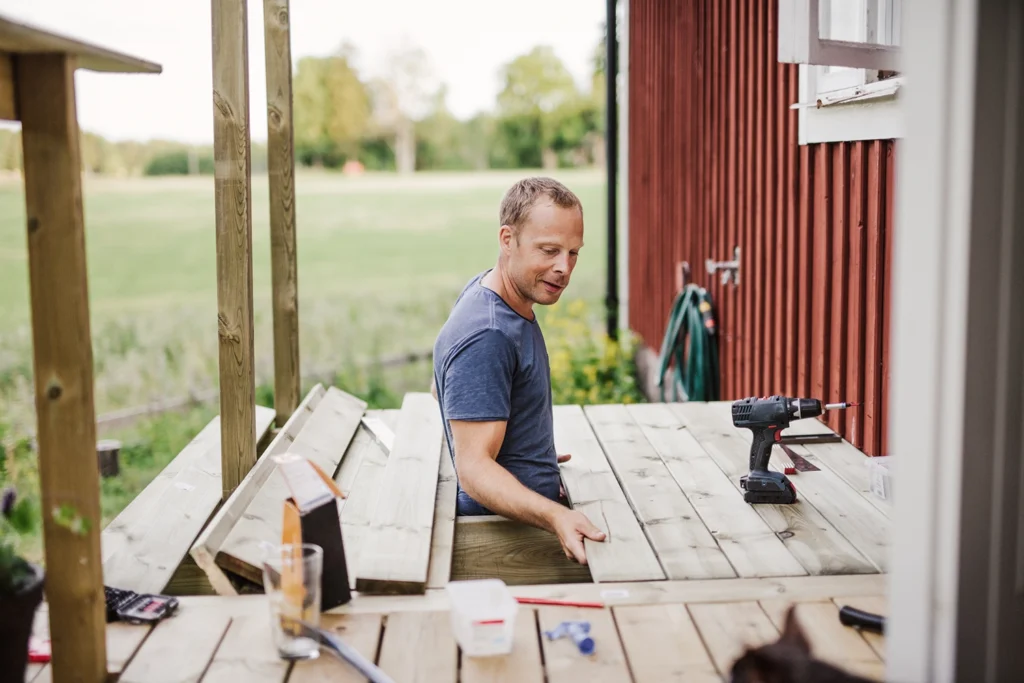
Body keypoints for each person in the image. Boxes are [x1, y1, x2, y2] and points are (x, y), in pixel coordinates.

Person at [431, 176, 607, 565]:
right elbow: (473, 470)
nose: (564, 268)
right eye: (549, 250)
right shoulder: (489, 333)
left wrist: (527, 446)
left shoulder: (487, 289)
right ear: (507, 239)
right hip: (506, 540)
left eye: (573, 253)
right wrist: (557, 516)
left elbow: (442, 387)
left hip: (529, 510)